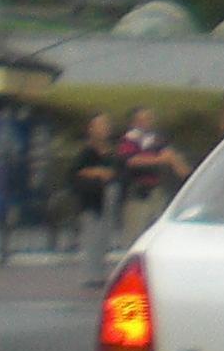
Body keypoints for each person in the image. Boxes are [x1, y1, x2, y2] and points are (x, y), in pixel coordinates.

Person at [117, 108, 189, 239]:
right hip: (138, 193)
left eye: (148, 119)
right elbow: (131, 161)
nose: (146, 122)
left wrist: (187, 177)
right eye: (142, 120)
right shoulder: (129, 139)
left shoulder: (155, 139)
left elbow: (170, 156)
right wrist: (159, 159)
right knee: (135, 233)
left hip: (156, 191)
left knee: (155, 232)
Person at [67, 115, 122, 260]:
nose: (103, 129)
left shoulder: (112, 152)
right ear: (91, 129)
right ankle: (91, 270)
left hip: (109, 199)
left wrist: (110, 174)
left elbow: (118, 172)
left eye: (105, 126)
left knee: (104, 241)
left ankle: (100, 267)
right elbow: (75, 173)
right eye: (99, 126)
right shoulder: (86, 152)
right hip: (91, 202)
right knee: (92, 240)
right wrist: (96, 172)